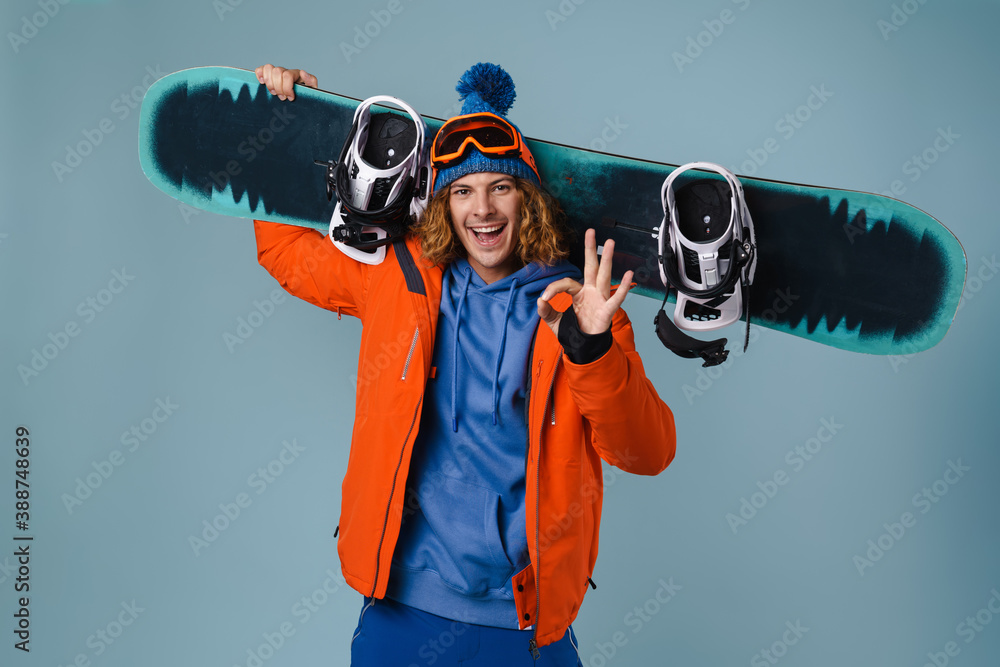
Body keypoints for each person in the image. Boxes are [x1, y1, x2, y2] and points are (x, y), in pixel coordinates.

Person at [252, 61, 676, 666]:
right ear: (443, 204)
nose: (483, 208)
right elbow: (286, 250)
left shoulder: (579, 309)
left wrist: (594, 352)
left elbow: (647, 451)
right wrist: (297, 127)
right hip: (405, 611)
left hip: (525, 622)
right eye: (463, 190)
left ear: (525, 198)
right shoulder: (400, 282)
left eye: (500, 187)